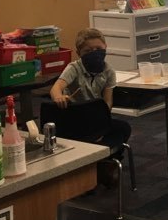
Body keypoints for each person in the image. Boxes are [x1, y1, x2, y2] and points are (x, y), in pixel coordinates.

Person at [50, 28, 131, 176]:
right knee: (99, 136)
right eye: (88, 51)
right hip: (75, 119)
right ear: (79, 53)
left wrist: (100, 125)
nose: (94, 53)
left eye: (98, 49)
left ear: (105, 48)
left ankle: (104, 162)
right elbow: (56, 88)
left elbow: (107, 102)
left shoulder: (108, 71)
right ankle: (93, 163)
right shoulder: (74, 68)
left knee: (124, 128)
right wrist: (58, 97)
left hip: (95, 118)